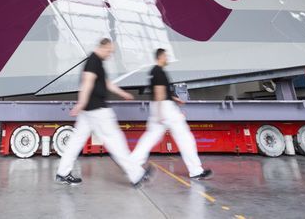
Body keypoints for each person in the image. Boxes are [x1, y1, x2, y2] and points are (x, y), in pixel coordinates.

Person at [56, 38, 150, 187]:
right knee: (115, 142)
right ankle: (136, 174)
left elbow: (106, 83)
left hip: (89, 111)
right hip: (97, 110)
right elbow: (87, 82)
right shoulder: (94, 61)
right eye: (109, 51)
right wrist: (81, 103)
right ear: (103, 47)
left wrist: (122, 93)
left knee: (76, 141)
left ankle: (62, 172)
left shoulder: (96, 61)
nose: (110, 55)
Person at [130, 48, 212, 180]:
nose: (167, 58)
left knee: (150, 138)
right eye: (166, 56)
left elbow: (162, 92)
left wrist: (174, 99)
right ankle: (196, 170)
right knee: (185, 138)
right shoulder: (159, 71)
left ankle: (131, 164)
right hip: (164, 108)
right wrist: (160, 113)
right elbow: (159, 92)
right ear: (160, 57)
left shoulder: (155, 71)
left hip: (160, 106)